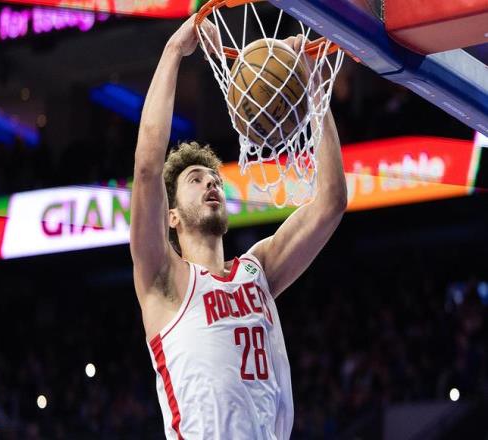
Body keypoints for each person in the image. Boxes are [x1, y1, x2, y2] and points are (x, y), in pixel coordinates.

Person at [130, 14, 347, 440]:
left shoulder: (257, 269)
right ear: (172, 216)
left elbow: (331, 201)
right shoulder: (164, 279)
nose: (211, 184)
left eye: (214, 179)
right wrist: (174, 50)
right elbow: (147, 168)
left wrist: (312, 85)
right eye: (196, 180)